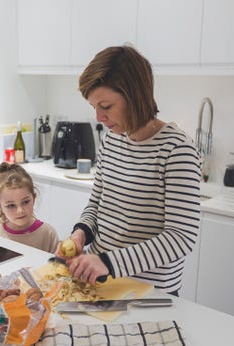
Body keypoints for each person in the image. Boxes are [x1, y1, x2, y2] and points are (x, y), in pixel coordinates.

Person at [58, 45, 201, 296]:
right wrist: (81, 233)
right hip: (101, 282)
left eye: (106, 106)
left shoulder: (176, 149)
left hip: (148, 290)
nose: (99, 117)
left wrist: (109, 262)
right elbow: (97, 203)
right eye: (95, 108)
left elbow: (181, 237)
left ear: (135, 96)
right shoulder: (111, 140)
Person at [0, 162, 60, 253]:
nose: (20, 211)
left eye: (25, 202)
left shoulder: (48, 234)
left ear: (34, 198)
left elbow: (58, 264)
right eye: (11, 205)